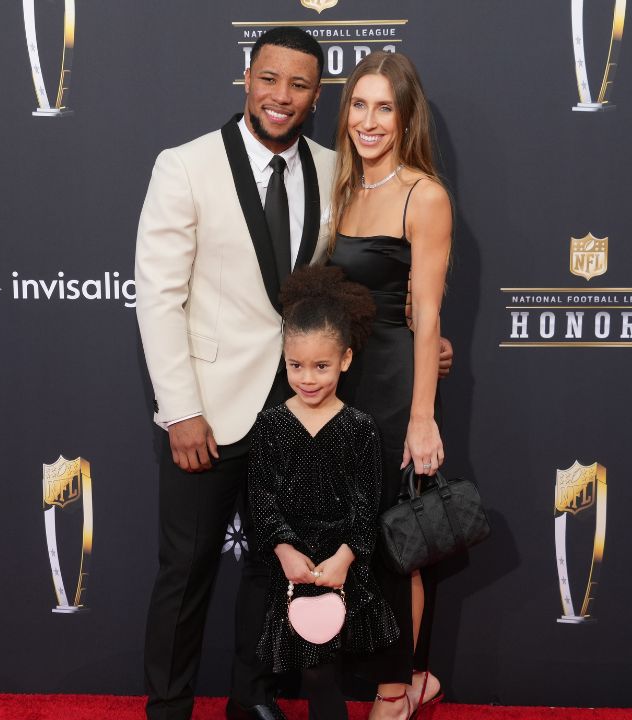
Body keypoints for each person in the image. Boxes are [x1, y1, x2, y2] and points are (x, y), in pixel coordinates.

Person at [135, 27, 333, 720]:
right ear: (247, 80)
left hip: (297, 412)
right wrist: (180, 409)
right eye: (270, 79)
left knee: (268, 567)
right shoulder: (184, 166)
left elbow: (349, 285)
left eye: (300, 85)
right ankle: (168, 709)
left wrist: (425, 342)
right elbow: (158, 297)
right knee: (185, 574)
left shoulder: (333, 169)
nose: (282, 96)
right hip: (210, 414)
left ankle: (252, 702)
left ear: (315, 96)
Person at [326, 51, 453, 720]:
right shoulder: (343, 187)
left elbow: (428, 313)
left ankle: (393, 694)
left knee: (393, 541)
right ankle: (412, 677)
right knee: (356, 536)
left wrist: (423, 417)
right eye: (359, 104)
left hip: (397, 388)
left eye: (384, 108)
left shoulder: (422, 194)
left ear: (406, 119)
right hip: (341, 389)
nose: (368, 121)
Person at [248, 266, 399, 720]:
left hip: (340, 567)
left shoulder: (359, 428)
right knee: (315, 672)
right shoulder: (271, 425)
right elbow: (262, 498)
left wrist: (345, 558)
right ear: (284, 359)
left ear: (346, 360)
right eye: (296, 365)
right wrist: (285, 552)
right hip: (293, 569)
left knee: (325, 672)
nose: (308, 378)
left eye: (321, 366)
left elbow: (366, 502)